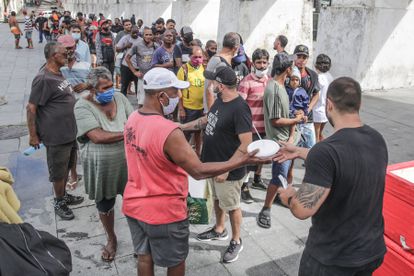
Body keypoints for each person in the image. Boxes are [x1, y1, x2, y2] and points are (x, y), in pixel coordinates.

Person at [123, 67, 264, 276]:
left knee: (144, 257)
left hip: (134, 204)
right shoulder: (168, 131)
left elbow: (244, 141)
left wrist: (233, 165)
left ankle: (233, 237)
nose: (178, 96)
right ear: (161, 96)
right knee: (176, 261)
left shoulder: (134, 117)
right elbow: (197, 169)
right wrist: (238, 162)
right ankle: (219, 228)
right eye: (175, 92)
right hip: (164, 211)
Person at [275, 77, 387, 276]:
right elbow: (345, 161)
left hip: (333, 259)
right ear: (359, 104)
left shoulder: (325, 151)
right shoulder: (377, 139)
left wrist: (289, 196)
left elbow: (302, 210)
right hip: (371, 251)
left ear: (329, 105)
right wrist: (300, 151)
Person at [185, 66, 251, 264]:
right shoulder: (221, 101)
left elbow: (246, 144)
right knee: (216, 199)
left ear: (220, 86)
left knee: (232, 206)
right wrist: (182, 126)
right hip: (212, 165)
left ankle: (236, 240)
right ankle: (219, 229)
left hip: (227, 170)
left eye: (213, 81)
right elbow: (208, 120)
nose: (210, 84)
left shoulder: (240, 108)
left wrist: (227, 168)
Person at [74, 67, 133, 262]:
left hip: (127, 163)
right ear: (92, 89)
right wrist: (127, 134)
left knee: (134, 200)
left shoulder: (121, 99)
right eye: (104, 88)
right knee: (105, 204)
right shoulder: (82, 106)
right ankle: (112, 238)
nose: (110, 90)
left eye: (111, 86)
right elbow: (97, 136)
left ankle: (139, 237)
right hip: (101, 166)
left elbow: (134, 122)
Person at [27, 41, 84, 221]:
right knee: (58, 172)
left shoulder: (58, 73)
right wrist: (33, 135)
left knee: (67, 166)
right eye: (63, 53)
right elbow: (31, 108)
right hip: (56, 135)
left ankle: (64, 195)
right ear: (53, 56)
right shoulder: (43, 78)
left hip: (68, 132)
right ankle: (59, 202)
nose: (67, 55)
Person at [256, 53, 303, 229]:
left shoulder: (281, 85)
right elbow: (276, 120)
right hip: (281, 143)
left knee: (286, 173)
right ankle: (266, 209)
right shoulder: (275, 89)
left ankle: (281, 195)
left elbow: (283, 114)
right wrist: (296, 121)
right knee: (278, 177)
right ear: (288, 69)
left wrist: (294, 119)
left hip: (288, 139)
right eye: (293, 66)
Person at [238, 48, 270, 202]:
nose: (262, 65)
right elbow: (240, 106)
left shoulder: (270, 81)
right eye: (259, 62)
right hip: (250, 128)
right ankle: (243, 186)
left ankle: (256, 180)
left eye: (264, 62)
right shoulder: (246, 82)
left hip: (265, 128)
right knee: (249, 159)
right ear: (253, 63)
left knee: (261, 157)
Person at [289, 44, 320, 149]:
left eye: (304, 57)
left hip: (307, 119)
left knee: (311, 150)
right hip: (291, 120)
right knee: (290, 151)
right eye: (298, 56)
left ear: (307, 59)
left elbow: (316, 94)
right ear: (294, 57)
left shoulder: (312, 75)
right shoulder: (287, 74)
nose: (301, 60)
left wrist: (307, 109)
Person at [177, 46, 205, 155]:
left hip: (201, 108)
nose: (198, 59)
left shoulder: (204, 68)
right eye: (195, 57)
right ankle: (182, 156)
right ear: (189, 57)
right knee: (186, 134)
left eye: (200, 57)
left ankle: (198, 154)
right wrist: (181, 109)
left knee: (199, 133)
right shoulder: (184, 69)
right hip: (188, 109)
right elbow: (178, 89)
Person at [204, 32, 240, 111]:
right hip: (216, 111)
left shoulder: (215, 58)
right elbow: (210, 89)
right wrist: (212, 115)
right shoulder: (221, 63)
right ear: (235, 48)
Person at [125, 27, 158, 106]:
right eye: (146, 34)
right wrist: (134, 71)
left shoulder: (156, 46)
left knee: (153, 100)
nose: (148, 36)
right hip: (142, 77)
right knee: (141, 102)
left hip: (153, 78)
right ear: (143, 35)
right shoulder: (137, 45)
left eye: (150, 35)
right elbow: (127, 58)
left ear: (153, 36)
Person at [117, 26, 142, 96]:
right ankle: (123, 101)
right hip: (126, 66)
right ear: (130, 32)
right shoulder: (125, 38)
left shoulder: (141, 40)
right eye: (133, 33)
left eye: (136, 33)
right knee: (124, 86)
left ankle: (139, 103)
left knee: (138, 87)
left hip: (137, 67)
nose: (135, 34)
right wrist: (125, 46)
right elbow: (117, 49)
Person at [313, 54, 333, 142]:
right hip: (326, 109)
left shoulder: (319, 78)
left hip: (317, 109)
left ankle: (317, 153)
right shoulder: (329, 76)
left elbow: (316, 95)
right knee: (320, 134)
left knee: (315, 136)